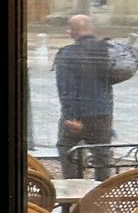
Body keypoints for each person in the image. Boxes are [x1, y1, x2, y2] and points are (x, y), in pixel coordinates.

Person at [55, 14, 130, 178]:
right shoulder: (105, 52)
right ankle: (101, 195)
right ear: (92, 30)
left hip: (78, 115)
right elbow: (113, 79)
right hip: (102, 114)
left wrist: (71, 117)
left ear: (72, 33)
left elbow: (66, 90)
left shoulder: (67, 54)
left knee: (66, 148)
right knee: (102, 156)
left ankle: (72, 193)